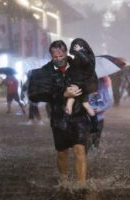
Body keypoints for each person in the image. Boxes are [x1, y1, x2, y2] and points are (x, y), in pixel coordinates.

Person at [40, 40, 90, 186]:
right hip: (58, 117)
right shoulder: (46, 71)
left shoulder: (78, 66)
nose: (58, 59)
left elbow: (88, 85)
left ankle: (81, 185)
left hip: (78, 114)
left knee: (79, 149)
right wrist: (64, 94)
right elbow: (45, 93)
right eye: (54, 57)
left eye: (61, 56)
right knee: (62, 153)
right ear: (51, 56)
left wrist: (81, 92)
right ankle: (64, 181)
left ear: (66, 53)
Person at [65, 38, 98, 133]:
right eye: (74, 46)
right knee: (85, 104)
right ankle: (94, 126)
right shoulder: (81, 56)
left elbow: (86, 63)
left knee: (70, 102)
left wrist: (80, 51)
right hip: (82, 84)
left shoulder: (87, 56)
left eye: (77, 46)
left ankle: (67, 126)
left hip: (81, 85)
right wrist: (70, 59)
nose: (75, 48)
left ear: (82, 46)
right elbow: (76, 68)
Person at [89, 76, 113, 149]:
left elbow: (109, 101)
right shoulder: (85, 83)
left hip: (99, 118)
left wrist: (101, 109)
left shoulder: (102, 84)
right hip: (87, 118)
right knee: (87, 138)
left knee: (96, 138)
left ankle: (94, 154)